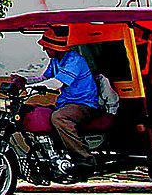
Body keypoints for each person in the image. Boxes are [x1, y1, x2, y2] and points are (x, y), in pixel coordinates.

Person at [29, 25, 102, 169]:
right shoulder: (56, 61)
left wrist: (29, 88)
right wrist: (24, 80)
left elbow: (56, 83)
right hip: (65, 103)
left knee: (59, 117)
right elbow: (43, 78)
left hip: (85, 105)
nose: (44, 49)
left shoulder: (75, 60)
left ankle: (84, 157)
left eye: (47, 47)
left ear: (57, 47)